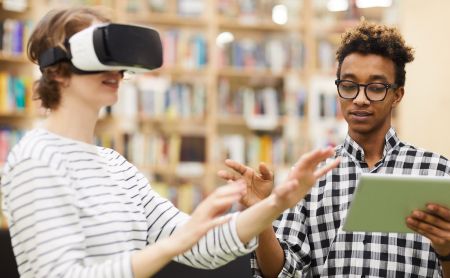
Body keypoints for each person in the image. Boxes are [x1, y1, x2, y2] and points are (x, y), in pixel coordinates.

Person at [0, 7, 340, 278]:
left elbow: (199, 245)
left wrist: (274, 205)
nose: (115, 69)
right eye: (100, 51)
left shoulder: (116, 167)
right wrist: (169, 247)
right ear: (56, 70)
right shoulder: (36, 159)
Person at [219, 21, 450, 277]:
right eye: (349, 86)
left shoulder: (438, 172)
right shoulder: (309, 176)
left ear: (397, 95)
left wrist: (447, 250)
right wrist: (260, 212)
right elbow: (283, 272)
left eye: (375, 88)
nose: (360, 99)